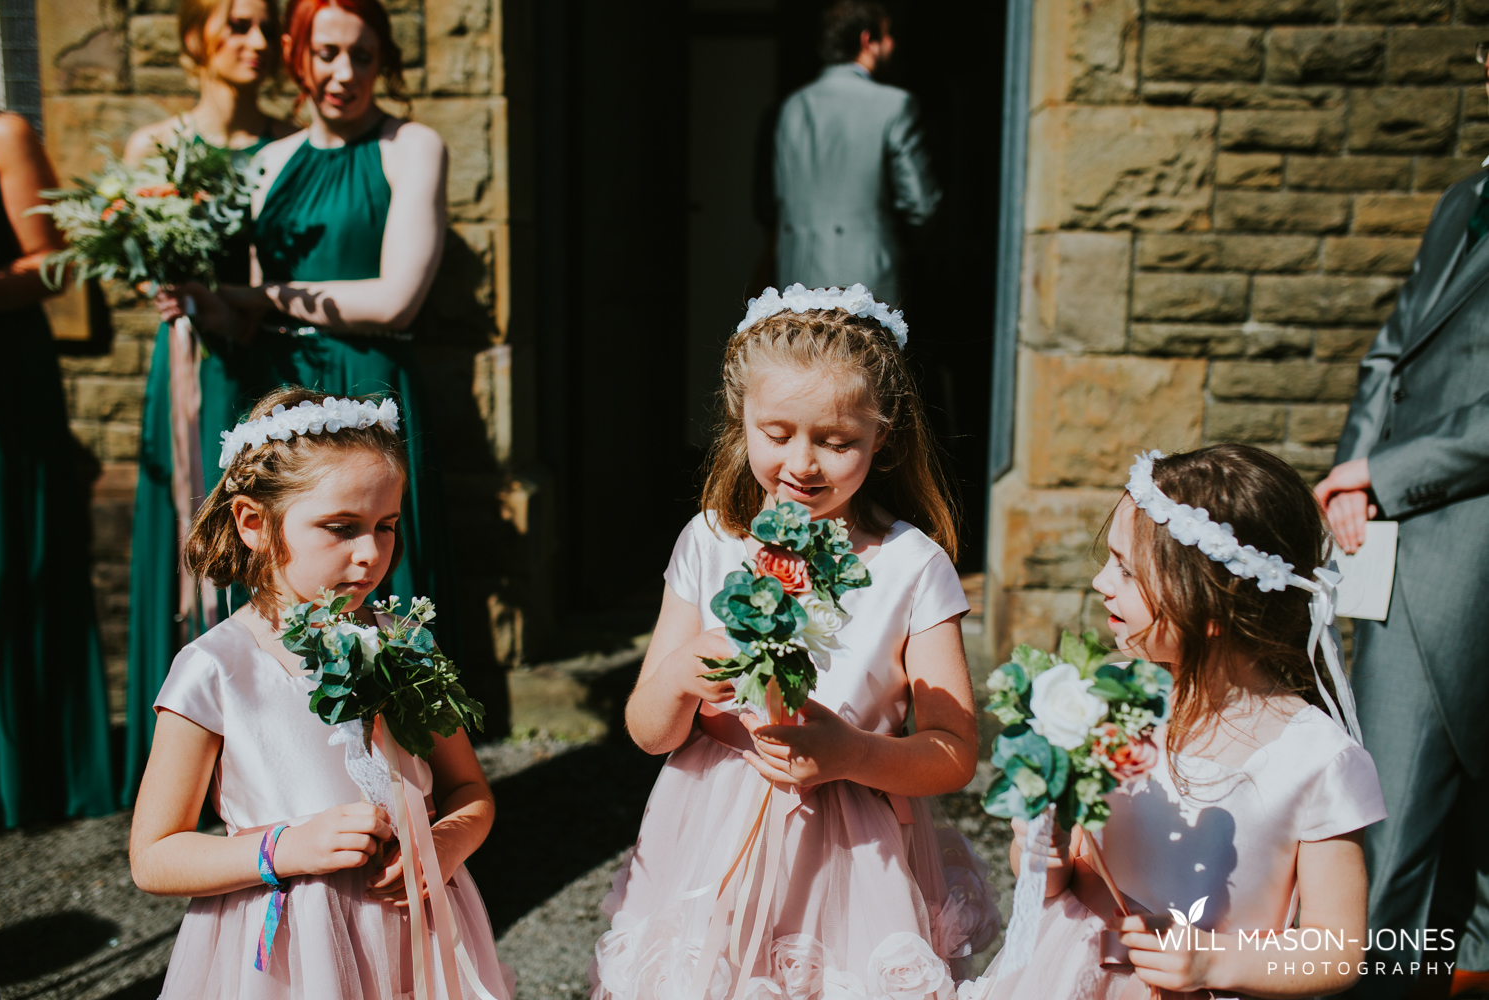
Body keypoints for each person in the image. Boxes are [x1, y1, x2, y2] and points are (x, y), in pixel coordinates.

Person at [588, 286, 999, 999]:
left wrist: (853, 753)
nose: (803, 464)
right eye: (777, 434)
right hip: (705, 840)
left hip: (847, 854)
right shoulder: (710, 542)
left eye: (837, 442)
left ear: (883, 436)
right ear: (740, 420)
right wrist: (683, 675)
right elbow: (649, 732)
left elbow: (954, 752)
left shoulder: (911, 568)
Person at [128, 386, 515, 999]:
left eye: (385, 526)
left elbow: (470, 790)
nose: (370, 554)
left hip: (414, 935)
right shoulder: (214, 669)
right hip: (290, 955)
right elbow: (153, 856)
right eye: (341, 528)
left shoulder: (405, 644)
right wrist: (287, 848)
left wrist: (443, 844)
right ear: (254, 523)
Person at [964, 445, 1385, 1000]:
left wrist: (1214, 962)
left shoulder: (1318, 761)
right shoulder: (1108, 701)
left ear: (1213, 605)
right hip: (1067, 975)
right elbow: (1055, 880)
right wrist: (1044, 852)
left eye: (1126, 569)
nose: (1101, 583)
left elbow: (1337, 949)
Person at [160, 0, 459, 657]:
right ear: (297, 55)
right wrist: (213, 312)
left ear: (384, 61)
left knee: (373, 567)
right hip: (279, 389)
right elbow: (256, 316)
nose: (345, 71)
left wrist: (254, 295)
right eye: (327, 53)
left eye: (363, 54)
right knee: (282, 566)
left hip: (367, 384)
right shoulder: (269, 161)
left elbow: (395, 302)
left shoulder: (410, 146)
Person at [1312, 43, 1489, 1000]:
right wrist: (1352, 473)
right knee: (1392, 822)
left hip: (1466, 544)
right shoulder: (1462, 197)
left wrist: (1390, 471)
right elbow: (1392, 352)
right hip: (1400, 540)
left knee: (1407, 827)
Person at [123, 0, 299, 809]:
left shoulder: (291, 145)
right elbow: (130, 263)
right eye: (237, 24)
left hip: (266, 355)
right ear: (198, 34)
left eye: (267, 27)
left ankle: (278, 745)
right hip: (192, 365)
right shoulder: (156, 147)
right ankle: (186, 765)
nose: (255, 42)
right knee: (196, 522)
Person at [0, 107, 115, 827]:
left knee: (10, 566)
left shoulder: (1, 133)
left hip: (2, 371)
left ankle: (30, 772)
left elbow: (57, 264)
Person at [768, 1, 939, 305]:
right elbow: (921, 204)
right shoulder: (895, 105)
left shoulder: (791, 107)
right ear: (866, 41)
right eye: (886, 35)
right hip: (867, 282)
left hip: (797, 281)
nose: (892, 43)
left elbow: (779, 196)